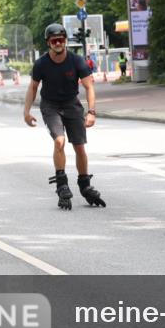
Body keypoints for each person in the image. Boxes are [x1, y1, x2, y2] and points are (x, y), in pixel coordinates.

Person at [23, 23, 107, 210]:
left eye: (61, 40)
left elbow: (89, 87)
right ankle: (62, 184)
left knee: (79, 146)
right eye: (54, 41)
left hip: (72, 105)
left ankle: (85, 185)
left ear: (65, 41)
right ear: (49, 43)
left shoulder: (76, 61)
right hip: (51, 106)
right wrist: (26, 112)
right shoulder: (41, 64)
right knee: (59, 141)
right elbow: (33, 88)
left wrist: (92, 112)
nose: (58, 43)